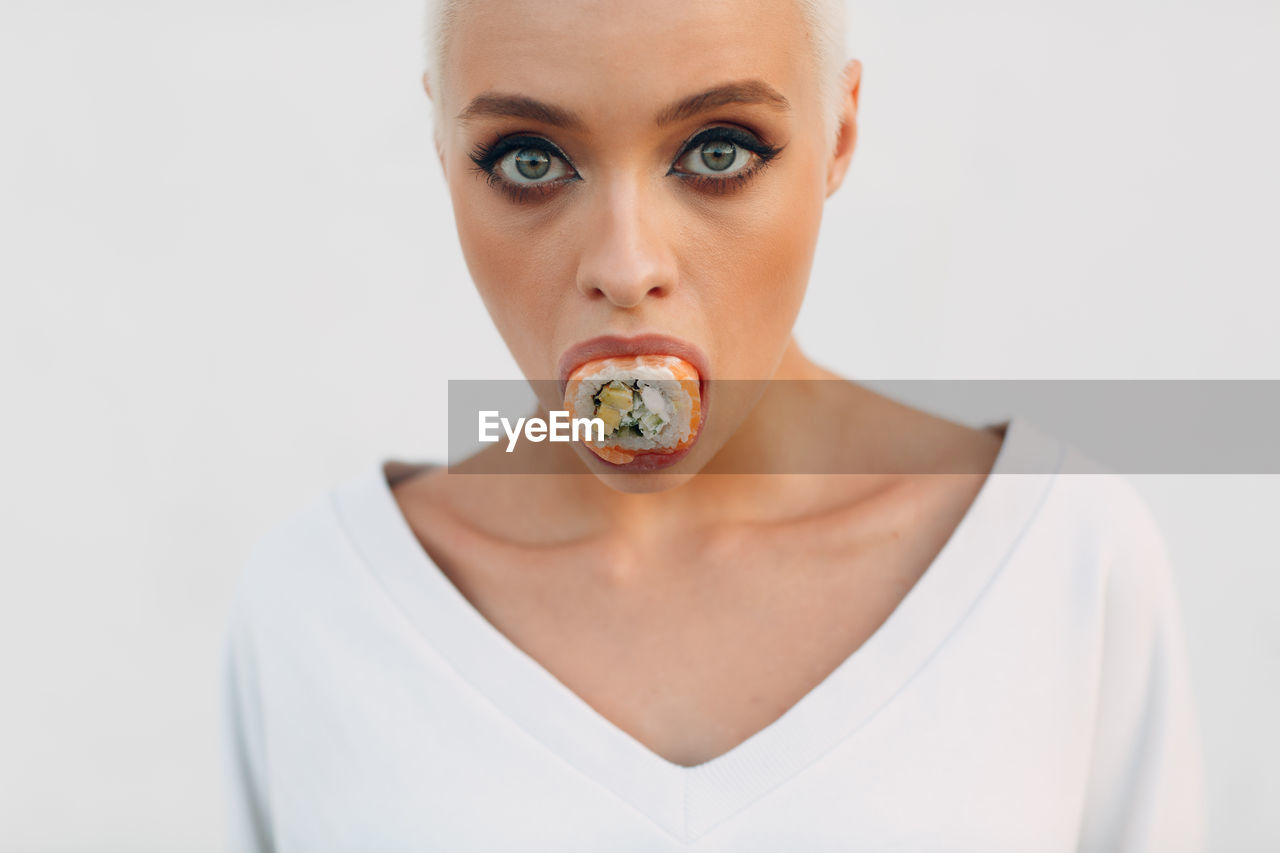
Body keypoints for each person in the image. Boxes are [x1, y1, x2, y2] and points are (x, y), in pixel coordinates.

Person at [220, 0, 1206, 849]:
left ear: (839, 136)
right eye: (530, 159)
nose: (623, 262)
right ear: (444, 149)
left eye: (716, 151)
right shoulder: (316, 606)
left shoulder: (1062, 559)